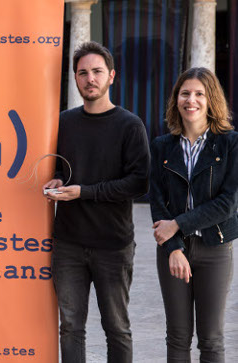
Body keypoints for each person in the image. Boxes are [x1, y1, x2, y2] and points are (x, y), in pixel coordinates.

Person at [43, 41, 150, 363]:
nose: (90, 79)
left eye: (97, 72)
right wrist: (59, 180)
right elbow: (61, 167)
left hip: (112, 244)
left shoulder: (129, 125)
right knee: (70, 327)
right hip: (68, 244)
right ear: (75, 79)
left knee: (116, 327)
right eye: (83, 73)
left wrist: (85, 192)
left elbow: (139, 182)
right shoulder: (63, 122)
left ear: (111, 76)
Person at [149, 67, 237, 362]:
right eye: (185, 93)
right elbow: (158, 203)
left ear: (211, 100)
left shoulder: (230, 144)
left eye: (200, 94)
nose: (191, 100)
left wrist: (178, 224)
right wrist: (173, 247)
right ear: (176, 100)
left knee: (211, 339)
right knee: (177, 337)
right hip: (174, 251)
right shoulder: (162, 146)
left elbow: (228, 203)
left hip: (215, 248)